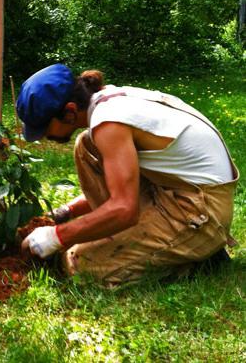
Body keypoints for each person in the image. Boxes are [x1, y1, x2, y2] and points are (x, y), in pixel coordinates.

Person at [17, 64, 239, 286]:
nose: (44, 135)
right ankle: (132, 236)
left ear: (70, 111)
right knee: (85, 145)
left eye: (44, 127)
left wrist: (57, 237)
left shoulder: (110, 123)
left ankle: (197, 259)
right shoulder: (108, 102)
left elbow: (125, 209)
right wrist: (66, 212)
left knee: (79, 265)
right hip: (176, 190)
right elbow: (122, 183)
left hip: (201, 211)